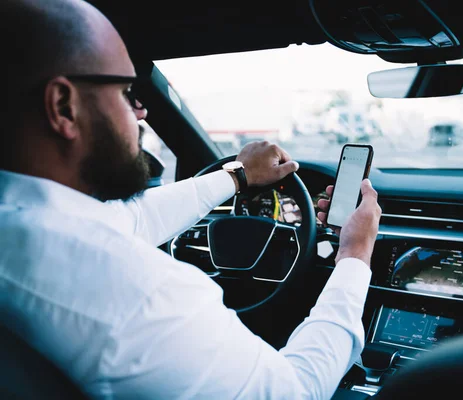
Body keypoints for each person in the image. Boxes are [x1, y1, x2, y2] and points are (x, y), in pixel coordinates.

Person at [0, 0, 382, 399]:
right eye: (127, 91)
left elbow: (129, 219)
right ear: (64, 106)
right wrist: (355, 256)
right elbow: (295, 392)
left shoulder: (30, 226)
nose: (142, 112)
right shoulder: (137, 294)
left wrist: (237, 176)